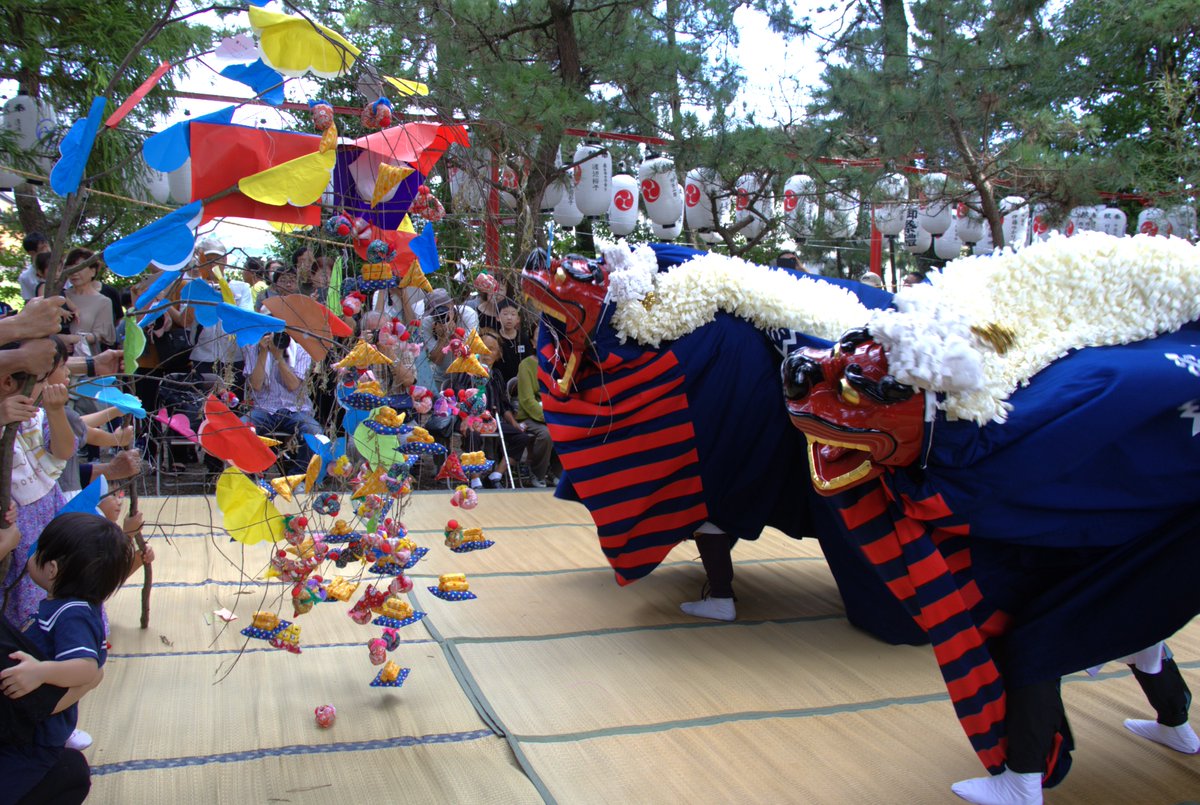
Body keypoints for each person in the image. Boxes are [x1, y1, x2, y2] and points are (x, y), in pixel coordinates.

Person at [0, 511, 133, 805]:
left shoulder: (72, 613)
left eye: (38, 552)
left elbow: (87, 669)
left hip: (35, 741)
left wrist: (41, 672)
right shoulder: (69, 605)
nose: (31, 555)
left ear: (52, 569)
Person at [0, 337, 78, 629]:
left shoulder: (36, 416)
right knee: (23, 589)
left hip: (47, 511)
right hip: (17, 523)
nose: (46, 385)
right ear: (8, 382)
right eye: (42, 380)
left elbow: (64, 451)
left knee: (57, 576)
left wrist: (56, 412)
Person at [450, 331, 531, 489]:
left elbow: (503, 405)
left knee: (521, 437)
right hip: (470, 419)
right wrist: (466, 418)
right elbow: (459, 399)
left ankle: (496, 475)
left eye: (491, 349)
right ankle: (475, 479)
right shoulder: (466, 372)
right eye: (482, 348)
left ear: (498, 354)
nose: (486, 353)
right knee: (473, 434)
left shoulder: (497, 375)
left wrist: (515, 424)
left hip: (493, 421)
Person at [242, 331, 321, 470]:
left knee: (314, 433)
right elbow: (256, 385)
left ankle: (299, 476)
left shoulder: (301, 351)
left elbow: (293, 385)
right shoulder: (252, 348)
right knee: (241, 428)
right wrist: (263, 353)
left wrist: (278, 357)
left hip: (296, 409)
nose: (275, 338)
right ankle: (251, 473)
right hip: (264, 408)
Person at [186, 238, 253, 396]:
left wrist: (224, 294)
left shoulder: (241, 288)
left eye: (217, 259)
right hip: (203, 356)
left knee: (233, 402)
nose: (213, 264)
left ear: (225, 260)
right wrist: (199, 294)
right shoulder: (193, 287)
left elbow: (246, 318)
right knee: (203, 403)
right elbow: (186, 322)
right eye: (208, 260)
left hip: (233, 357)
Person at [421, 288, 479, 390]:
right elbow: (436, 360)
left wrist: (453, 333)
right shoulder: (428, 322)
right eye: (435, 312)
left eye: (443, 309)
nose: (440, 315)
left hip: (467, 375)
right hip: (442, 375)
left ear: (452, 304)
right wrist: (443, 338)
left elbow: (469, 350)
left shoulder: (468, 314)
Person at [61, 249, 116, 355]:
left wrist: (70, 339)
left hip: (86, 358)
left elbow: (100, 336)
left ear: (93, 271)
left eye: (79, 267)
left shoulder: (103, 301)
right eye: (70, 268)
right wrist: (57, 340)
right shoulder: (61, 296)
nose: (74, 273)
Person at [515, 354, 554, 487]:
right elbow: (527, 399)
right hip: (530, 415)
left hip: (554, 413)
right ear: (532, 343)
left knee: (570, 430)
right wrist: (548, 417)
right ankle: (537, 473)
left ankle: (557, 472)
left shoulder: (559, 361)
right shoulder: (526, 364)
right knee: (546, 434)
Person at [493, 297, 531, 383]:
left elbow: (528, 360)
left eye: (513, 314)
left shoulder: (523, 338)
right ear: (498, 317)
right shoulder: (495, 338)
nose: (509, 318)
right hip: (498, 382)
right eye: (505, 314)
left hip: (520, 382)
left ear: (518, 319)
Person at [17, 233, 50, 302]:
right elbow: (29, 301)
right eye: (43, 248)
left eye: (47, 246)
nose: (48, 250)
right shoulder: (25, 277)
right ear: (31, 253)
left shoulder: (61, 268)